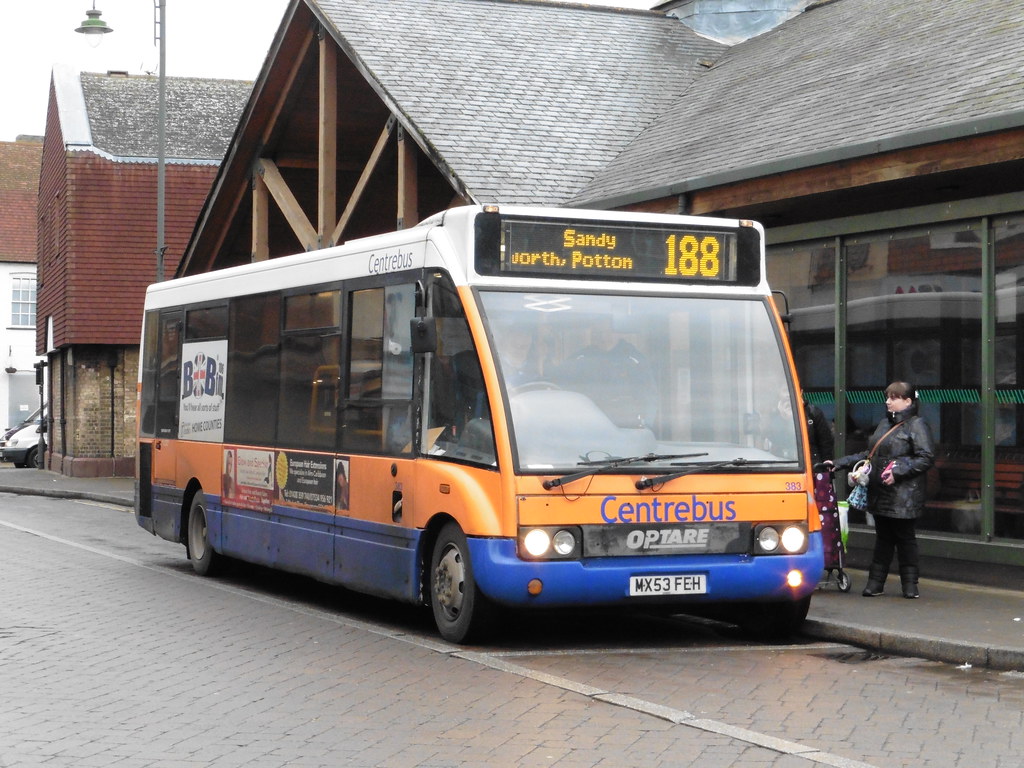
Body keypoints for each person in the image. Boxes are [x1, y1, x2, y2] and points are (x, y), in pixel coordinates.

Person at [826, 381, 935, 598]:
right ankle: (876, 584)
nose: (888, 401)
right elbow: (870, 453)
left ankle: (909, 586)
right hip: (882, 492)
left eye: (894, 398)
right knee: (884, 538)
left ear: (908, 401)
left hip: (904, 495)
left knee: (904, 538)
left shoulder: (917, 425)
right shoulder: (885, 424)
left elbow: (926, 457)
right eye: (888, 397)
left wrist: (898, 471)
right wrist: (840, 463)